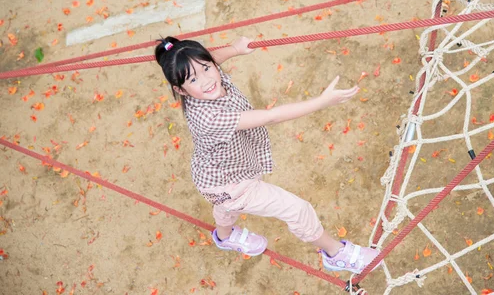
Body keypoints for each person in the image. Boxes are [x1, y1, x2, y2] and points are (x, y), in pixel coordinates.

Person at [154, 36, 381, 274]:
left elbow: (209, 61)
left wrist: (235, 49)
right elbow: (271, 117)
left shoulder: (207, 84)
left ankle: (225, 236)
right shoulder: (209, 117)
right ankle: (336, 254)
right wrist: (322, 102)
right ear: (180, 90)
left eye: (207, 68)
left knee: (226, 205)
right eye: (193, 78)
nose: (207, 79)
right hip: (232, 183)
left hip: (214, 174)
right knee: (297, 209)